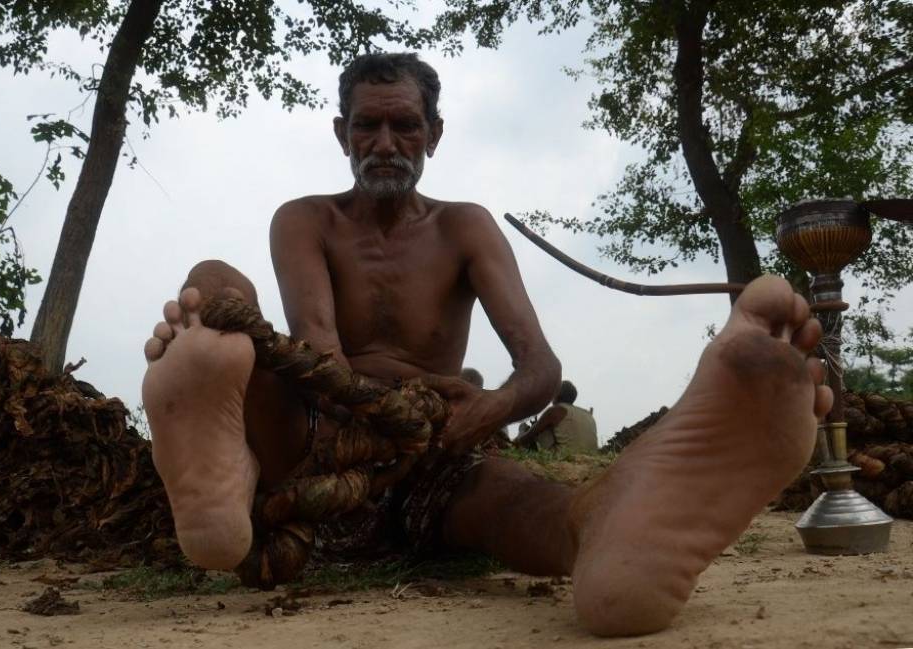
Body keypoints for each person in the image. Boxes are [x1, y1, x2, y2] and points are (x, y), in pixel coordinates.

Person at [142, 52, 831, 637]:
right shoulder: (303, 220)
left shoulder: (464, 228)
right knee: (217, 288)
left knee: (538, 509)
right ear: (341, 133)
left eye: (404, 125)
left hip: (435, 454)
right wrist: (398, 411)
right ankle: (225, 479)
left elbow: (540, 367)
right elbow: (323, 357)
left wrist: (487, 410)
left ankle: (611, 542)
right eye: (367, 125)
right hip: (316, 439)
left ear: (434, 134)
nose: (384, 142)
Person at [516, 380, 598, 453]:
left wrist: (522, 431)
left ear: (556, 395)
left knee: (526, 427)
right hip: (589, 456)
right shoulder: (588, 414)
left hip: (563, 456)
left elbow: (529, 436)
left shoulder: (556, 410)